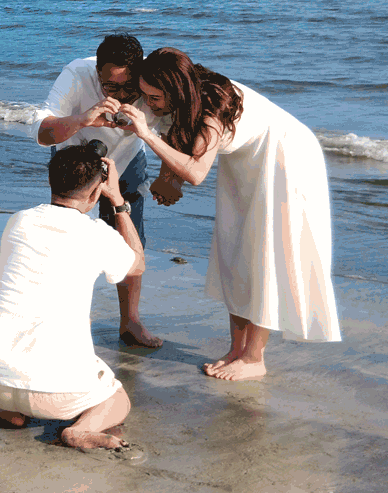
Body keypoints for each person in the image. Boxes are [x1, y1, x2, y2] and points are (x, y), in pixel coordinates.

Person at [113, 47, 341, 381]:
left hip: (285, 156)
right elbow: (173, 132)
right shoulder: (178, 97)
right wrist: (165, 180)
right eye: (145, 95)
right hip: (245, 160)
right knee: (233, 247)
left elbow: (196, 172)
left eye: (155, 97)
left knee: (267, 252)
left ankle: (254, 357)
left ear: (176, 90)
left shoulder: (212, 108)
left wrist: (146, 136)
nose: (148, 103)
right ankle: (236, 349)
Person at [0, 142, 142, 451]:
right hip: (58, 394)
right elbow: (136, 265)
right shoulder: (97, 234)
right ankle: (81, 429)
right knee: (117, 399)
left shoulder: (19, 221)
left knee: (12, 366)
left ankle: (10, 409)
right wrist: (119, 201)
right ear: (96, 191)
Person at [37, 31, 163, 348]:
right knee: (63, 237)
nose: (121, 95)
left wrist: (170, 178)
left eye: (129, 87)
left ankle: (130, 322)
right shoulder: (77, 72)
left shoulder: (153, 82)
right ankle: (55, 317)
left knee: (132, 235)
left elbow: (178, 132)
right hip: (76, 155)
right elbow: (42, 132)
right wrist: (82, 119)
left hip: (129, 158)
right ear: (97, 74)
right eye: (111, 87)